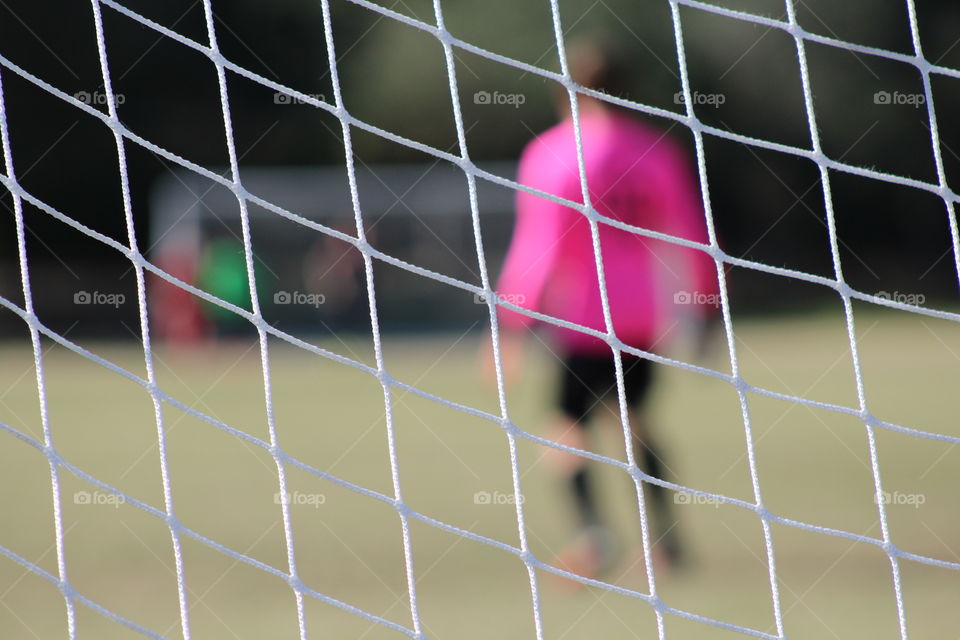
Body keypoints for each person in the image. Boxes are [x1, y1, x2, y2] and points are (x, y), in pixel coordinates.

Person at [490, 40, 719, 580]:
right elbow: (692, 236)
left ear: (566, 89)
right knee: (635, 423)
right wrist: (706, 310)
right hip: (644, 316)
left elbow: (535, 250)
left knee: (565, 427)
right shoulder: (657, 152)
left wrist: (511, 327)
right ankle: (666, 543)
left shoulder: (552, 152)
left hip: (584, 318)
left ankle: (595, 535)